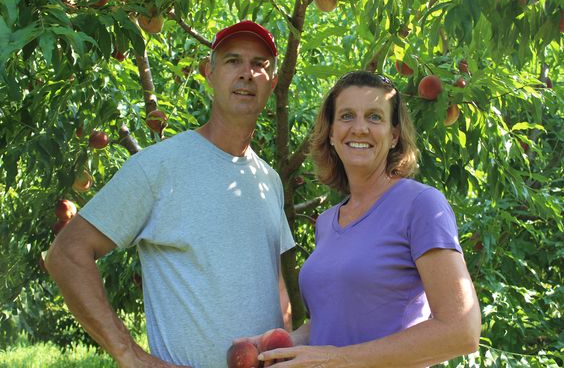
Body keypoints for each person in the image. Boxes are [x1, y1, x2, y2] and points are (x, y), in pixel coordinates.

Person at [45, 20, 295, 368]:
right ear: (209, 72)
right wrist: (130, 355)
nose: (247, 73)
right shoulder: (159, 167)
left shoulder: (268, 179)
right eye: (233, 60)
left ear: (274, 81)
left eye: (260, 65)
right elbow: (66, 254)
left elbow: (274, 281)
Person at [252, 71, 482, 367]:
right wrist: (275, 348)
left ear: (394, 135)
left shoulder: (420, 204)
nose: (359, 128)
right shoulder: (326, 222)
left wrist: (337, 359)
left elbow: (462, 331)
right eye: (347, 116)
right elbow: (331, 325)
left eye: (374, 117)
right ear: (332, 134)